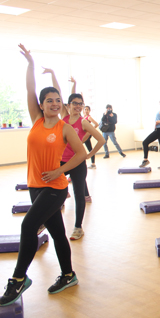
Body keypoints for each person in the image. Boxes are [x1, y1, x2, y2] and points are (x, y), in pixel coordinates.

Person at [0, 45, 86, 307]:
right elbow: (29, 89)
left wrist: (61, 170)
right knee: (58, 234)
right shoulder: (36, 119)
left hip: (55, 188)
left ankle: (17, 280)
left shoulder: (64, 127)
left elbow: (81, 153)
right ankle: (69, 275)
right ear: (41, 104)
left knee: (28, 226)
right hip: (35, 186)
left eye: (58, 100)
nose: (54, 103)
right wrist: (30, 64)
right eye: (50, 100)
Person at [43, 70, 105, 240]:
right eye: (75, 103)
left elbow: (101, 139)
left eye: (81, 104)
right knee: (51, 190)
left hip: (77, 163)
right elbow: (59, 92)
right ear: (68, 105)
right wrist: (52, 74)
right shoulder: (63, 117)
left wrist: (88, 155)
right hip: (62, 162)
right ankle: (44, 219)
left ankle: (78, 227)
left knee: (79, 195)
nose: (78, 106)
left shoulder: (83, 122)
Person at [140, 86, 160, 168]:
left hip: (159, 130)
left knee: (145, 142)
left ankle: (145, 160)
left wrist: (157, 122)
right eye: (159, 102)